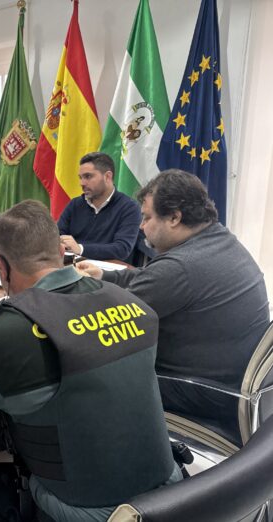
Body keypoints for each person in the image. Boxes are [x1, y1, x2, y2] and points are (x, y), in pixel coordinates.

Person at [0, 200, 180, 522]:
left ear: (1, 266)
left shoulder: (4, 333)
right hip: (169, 490)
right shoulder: (132, 303)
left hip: (88, 508)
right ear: (60, 250)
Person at [77, 169, 270, 443]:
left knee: (86, 369)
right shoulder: (220, 240)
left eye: (147, 218)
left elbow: (105, 316)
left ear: (174, 218)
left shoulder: (182, 266)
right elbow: (154, 278)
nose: (141, 227)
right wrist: (105, 276)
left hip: (203, 391)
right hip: (234, 381)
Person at [57, 152, 141, 261]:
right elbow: (57, 236)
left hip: (109, 270)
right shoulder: (75, 204)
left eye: (88, 176)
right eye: (80, 178)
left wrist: (81, 249)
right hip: (73, 266)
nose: (82, 183)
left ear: (107, 176)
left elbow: (122, 249)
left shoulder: (129, 208)